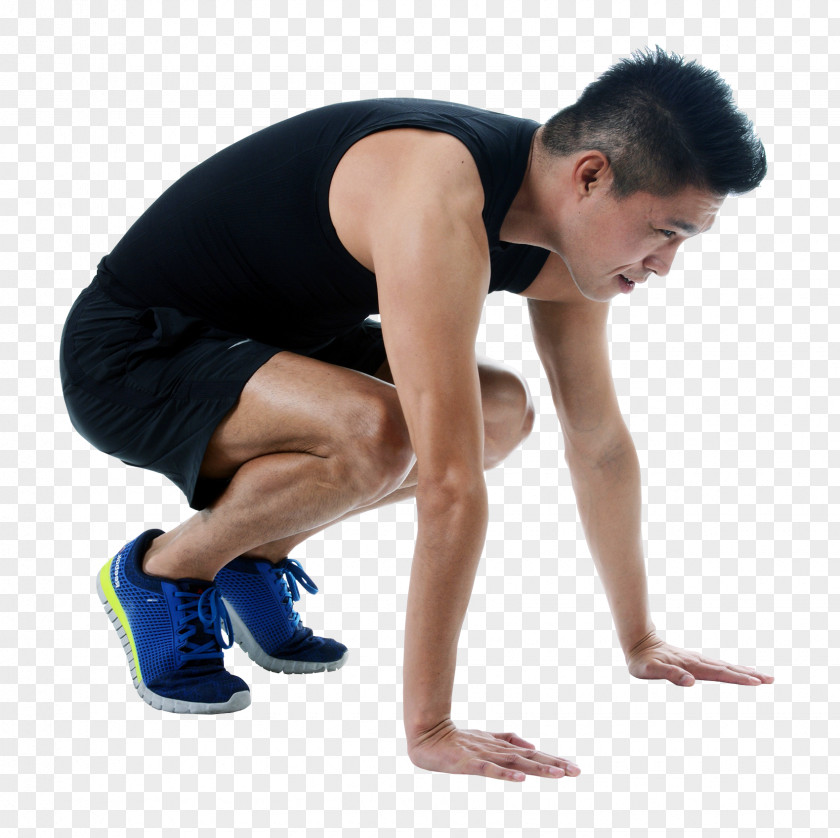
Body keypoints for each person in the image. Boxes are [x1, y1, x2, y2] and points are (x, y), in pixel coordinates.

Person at [60, 46, 773, 782]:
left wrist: (641, 640)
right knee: (385, 431)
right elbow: (449, 485)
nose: (665, 266)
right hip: (132, 351)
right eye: (666, 231)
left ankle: (254, 556)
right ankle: (164, 571)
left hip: (275, 345)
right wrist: (431, 727)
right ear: (590, 174)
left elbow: (597, 442)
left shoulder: (556, 223)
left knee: (502, 411)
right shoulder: (435, 195)